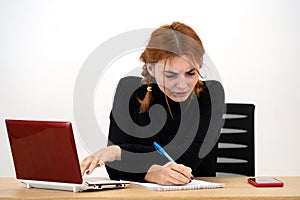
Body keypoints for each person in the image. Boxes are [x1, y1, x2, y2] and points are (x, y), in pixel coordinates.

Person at [80, 21, 225, 186]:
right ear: (151, 69)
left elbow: (188, 159)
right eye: (170, 75)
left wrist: (119, 152)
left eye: (191, 73)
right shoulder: (129, 90)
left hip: (198, 194)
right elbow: (114, 169)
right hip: (139, 195)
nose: (182, 85)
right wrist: (150, 174)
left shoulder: (211, 93)